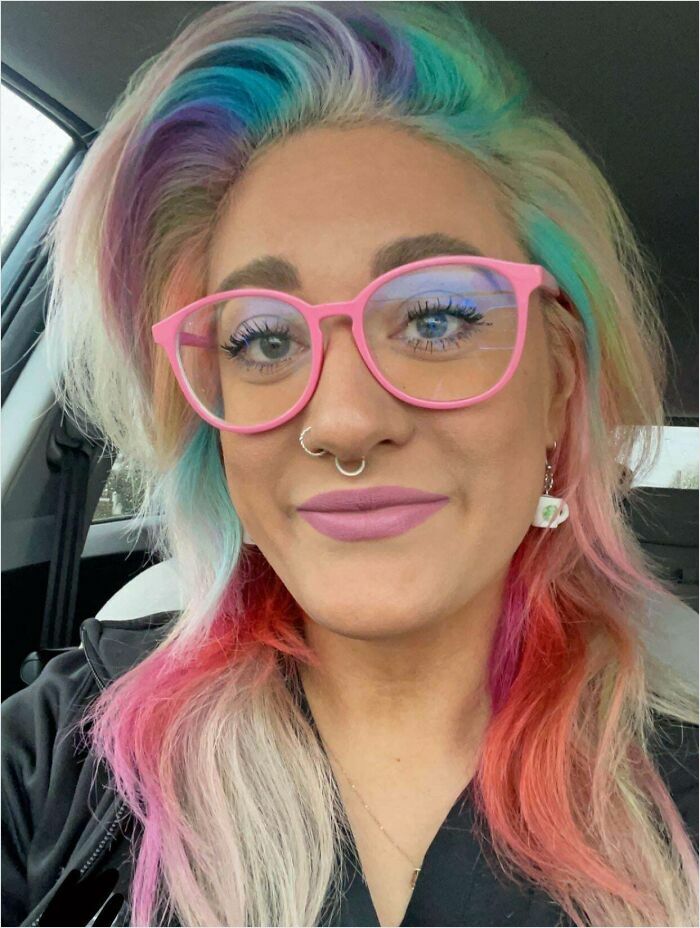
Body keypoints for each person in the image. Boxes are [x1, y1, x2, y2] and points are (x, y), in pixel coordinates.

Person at [2, 3, 698, 926]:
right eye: (263, 338)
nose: (343, 422)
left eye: (437, 319)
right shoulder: (65, 757)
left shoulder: (678, 790)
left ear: (558, 383)